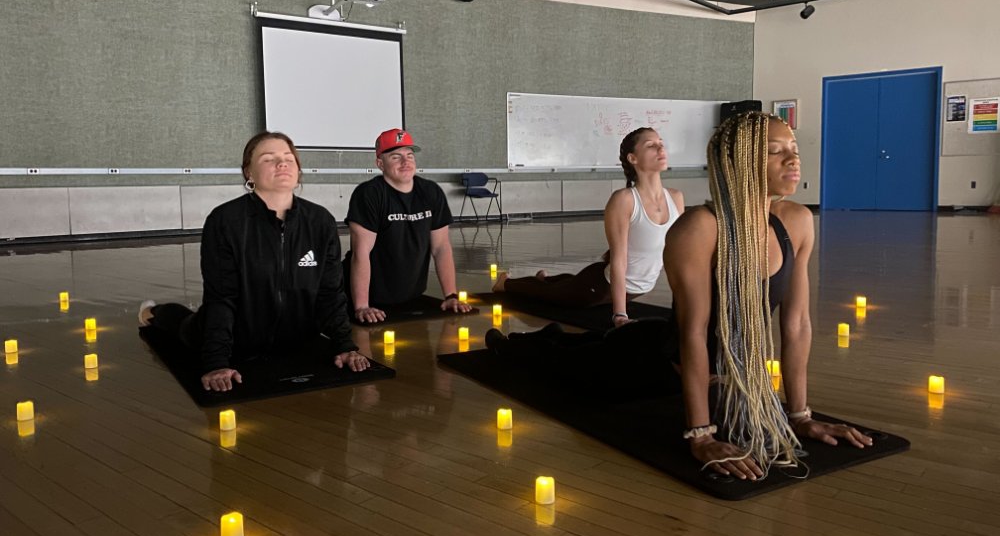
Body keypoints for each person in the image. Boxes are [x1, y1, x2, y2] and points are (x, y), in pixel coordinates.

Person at [663, 112, 872, 481]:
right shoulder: (700, 228)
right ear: (739, 162)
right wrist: (701, 435)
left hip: (738, 374)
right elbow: (692, 334)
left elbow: (797, 324)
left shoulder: (797, 221)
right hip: (664, 368)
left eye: (794, 148)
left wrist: (800, 416)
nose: (792, 159)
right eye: (775, 151)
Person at [139, 131, 368, 392]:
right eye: (268, 159)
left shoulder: (320, 221)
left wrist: (345, 345)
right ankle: (155, 312)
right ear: (249, 172)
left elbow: (330, 292)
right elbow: (221, 297)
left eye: (288, 158)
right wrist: (216, 362)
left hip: (296, 339)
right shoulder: (225, 221)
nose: (281, 164)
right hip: (238, 340)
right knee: (186, 327)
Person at [492, 127, 683, 326]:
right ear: (633, 158)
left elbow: (678, 258)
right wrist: (620, 315)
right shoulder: (624, 200)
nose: (661, 149)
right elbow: (618, 260)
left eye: (661, 143)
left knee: (569, 286)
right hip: (600, 287)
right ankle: (505, 283)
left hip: (634, 288)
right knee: (550, 295)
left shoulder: (676, 198)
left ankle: (547, 278)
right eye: (651, 145)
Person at [344, 128, 473, 323]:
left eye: (410, 155)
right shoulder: (369, 194)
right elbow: (360, 253)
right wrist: (362, 306)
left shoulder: (431, 192)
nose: (405, 162)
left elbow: (441, 248)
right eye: (396, 157)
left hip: (410, 296)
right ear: (380, 164)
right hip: (369, 298)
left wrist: (450, 296)